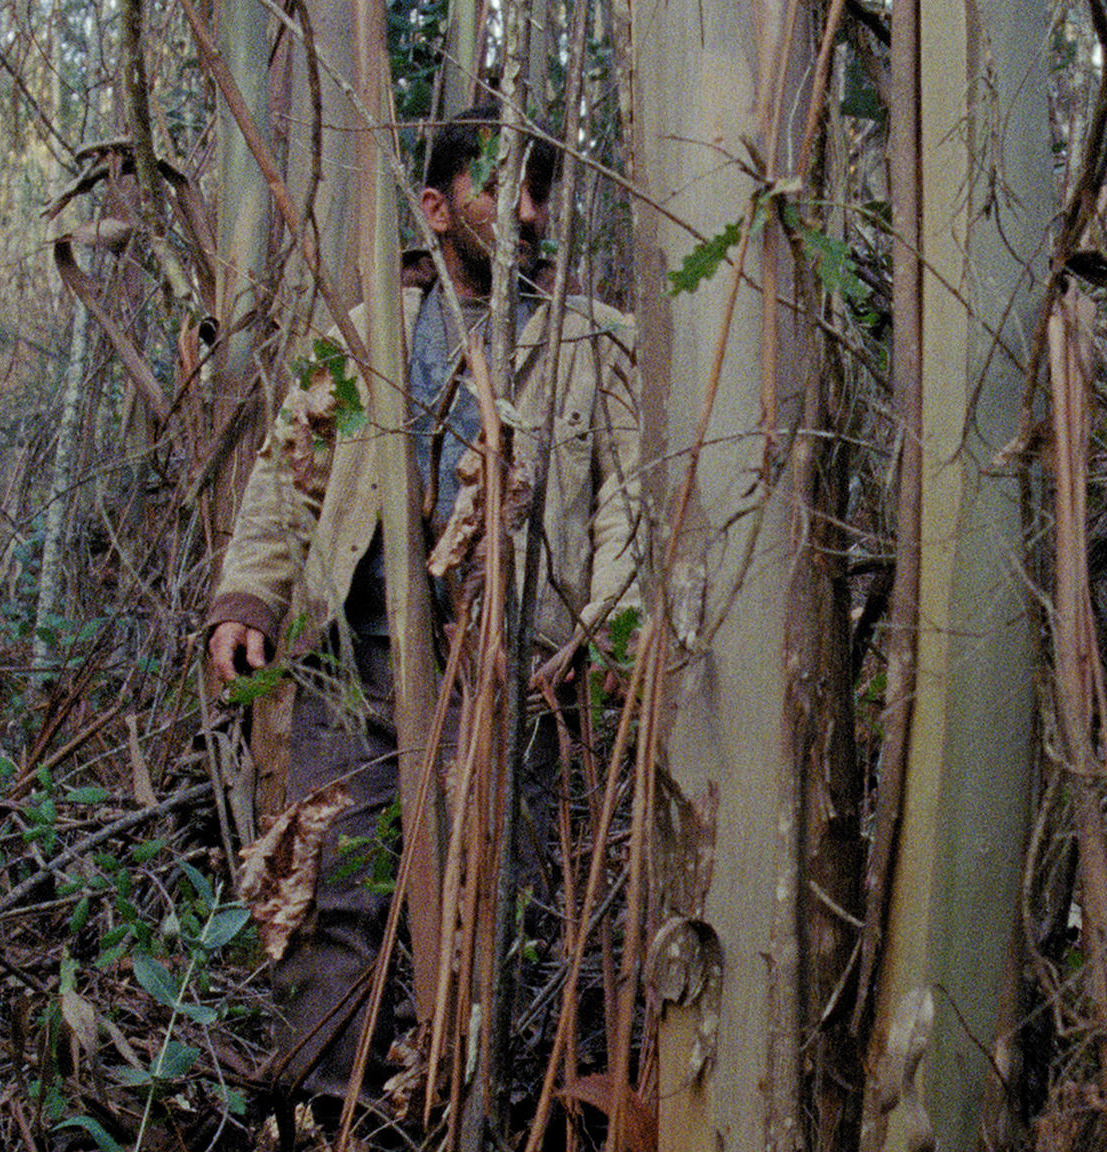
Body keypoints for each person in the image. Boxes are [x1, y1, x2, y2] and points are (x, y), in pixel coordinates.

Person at [203, 104, 641, 1133]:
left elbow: (629, 495)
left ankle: (497, 1112)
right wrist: (246, 596)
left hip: (513, 677)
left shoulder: (595, 340)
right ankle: (327, 1115)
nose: (532, 213)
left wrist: (606, 627)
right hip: (356, 670)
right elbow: (290, 475)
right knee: (333, 897)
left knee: (509, 904)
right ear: (437, 207)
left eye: (542, 191)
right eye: (506, 189)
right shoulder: (365, 333)